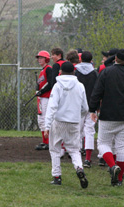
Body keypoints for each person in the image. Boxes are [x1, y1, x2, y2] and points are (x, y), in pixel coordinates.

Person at [89, 49, 124, 186]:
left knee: (103, 144)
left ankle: (112, 166)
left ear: (115, 58)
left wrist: (92, 109)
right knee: (122, 147)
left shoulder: (106, 72)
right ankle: (119, 179)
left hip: (108, 115)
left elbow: (97, 92)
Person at [44, 61, 89, 189]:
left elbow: (52, 107)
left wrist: (47, 126)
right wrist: (77, 116)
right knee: (74, 150)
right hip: (74, 122)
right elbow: (85, 108)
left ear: (60, 72)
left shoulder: (58, 86)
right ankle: (79, 168)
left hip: (58, 121)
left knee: (55, 149)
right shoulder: (80, 86)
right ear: (74, 72)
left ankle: (57, 177)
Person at [75, 51, 98, 168]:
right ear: (91, 60)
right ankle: (88, 159)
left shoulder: (76, 72)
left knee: (77, 131)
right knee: (89, 131)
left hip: (78, 106)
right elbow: (98, 91)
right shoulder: (95, 73)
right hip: (91, 106)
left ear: (80, 59)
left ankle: (77, 156)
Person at [34, 51, 53, 151]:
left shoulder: (48, 69)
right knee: (41, 119)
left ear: (46, 59)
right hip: (42, 98)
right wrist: (38, 90)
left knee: (45, 119)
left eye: (41, 58)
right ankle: (44, 141)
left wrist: (41, 91)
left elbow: (50, 83)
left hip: (47, 98)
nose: (39, 59)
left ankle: (48, 142)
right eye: (38, 58)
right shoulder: (43, 70)